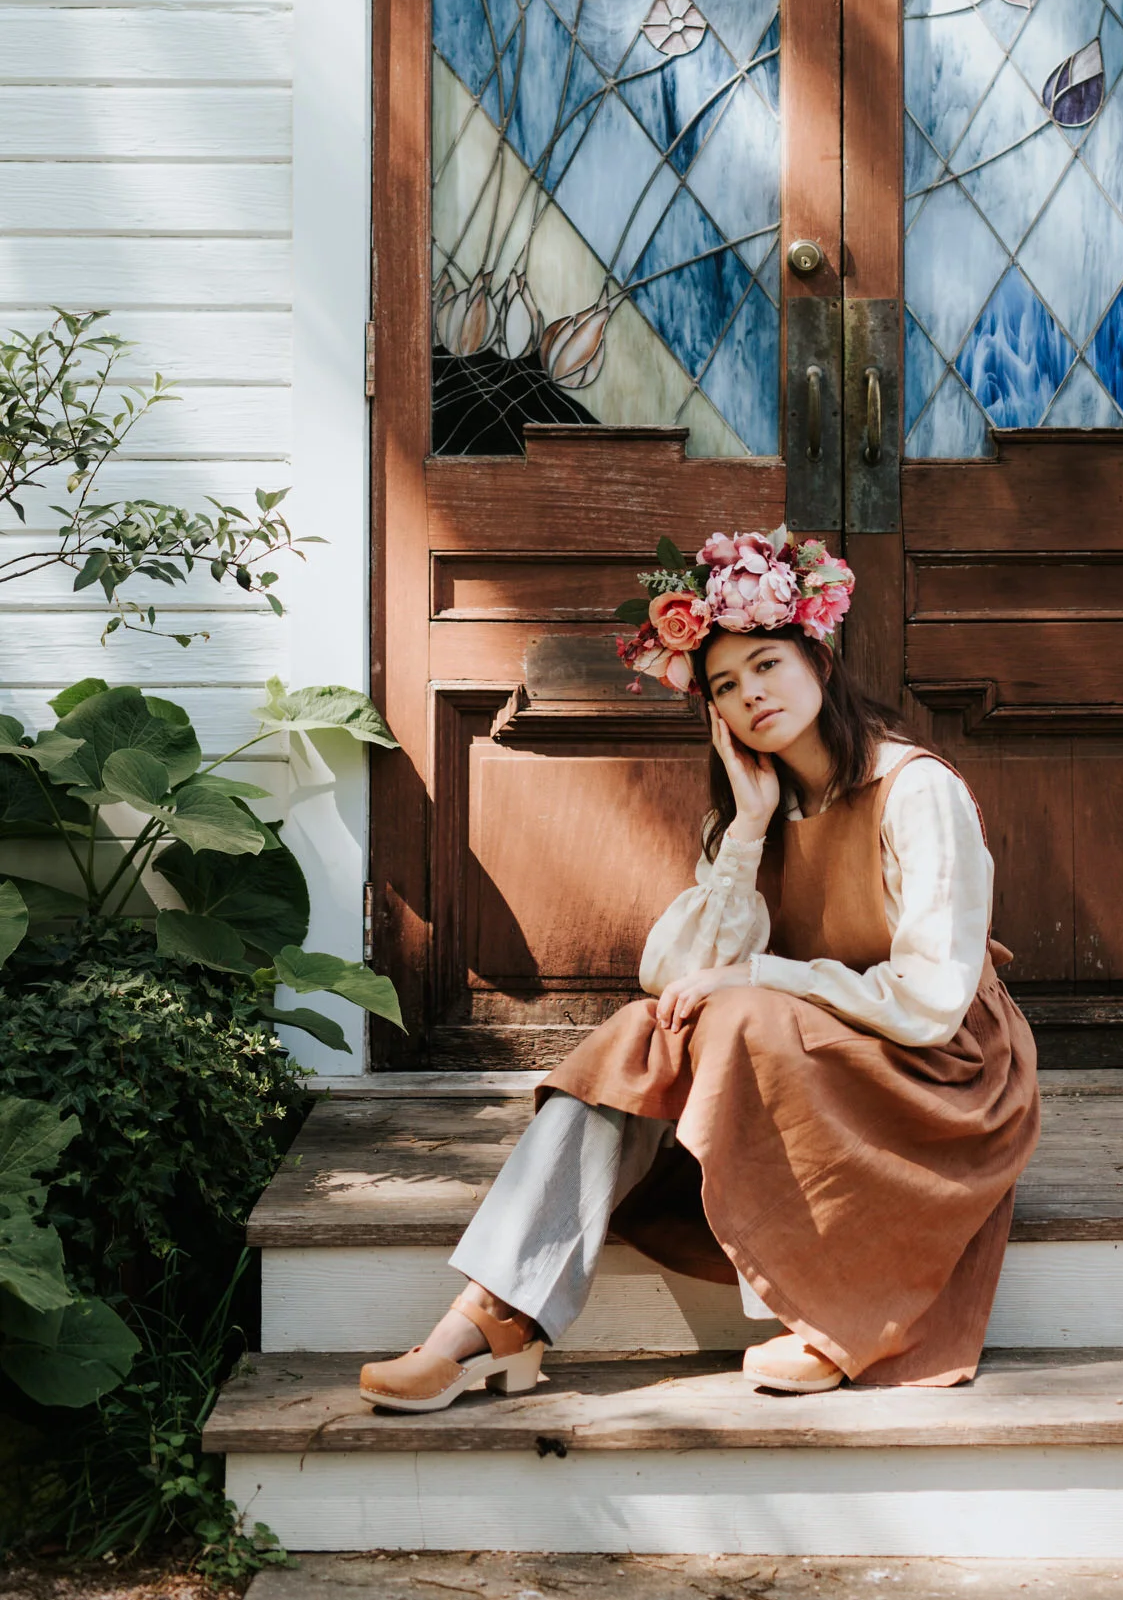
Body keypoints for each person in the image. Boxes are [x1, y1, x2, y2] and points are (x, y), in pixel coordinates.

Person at [359, 529, 1039, 1410]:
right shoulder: (753, 817)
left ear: (818, 664)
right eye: (725, 685)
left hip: (941, 1078)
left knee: (744, 1013)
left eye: (767, 666)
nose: (751, 694)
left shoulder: (915, 791)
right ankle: (489, 1318)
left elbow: (930, 1005)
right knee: (653, 1030)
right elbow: (675, 976)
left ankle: (822, 1312)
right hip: (812, 1062)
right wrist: (750, 826)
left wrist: (758, 976)